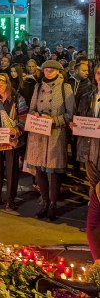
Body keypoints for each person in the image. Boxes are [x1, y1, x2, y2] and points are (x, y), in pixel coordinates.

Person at [25, 60, 75, 221]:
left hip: (55, 134)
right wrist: (36, 115)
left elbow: (70, 114)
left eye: (52, 69)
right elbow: (31, 108)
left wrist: (54, 119)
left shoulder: (65, 88)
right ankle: (44, 201)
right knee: (39, 170)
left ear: (59, 71)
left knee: (53, 171)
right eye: (46, 69)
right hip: (38, 132)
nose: (48, 71)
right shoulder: (38, 87)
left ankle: (53, 204)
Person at [0, 73, 28, 210]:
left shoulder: (18, 99)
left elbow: (24, 118)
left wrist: (17, 130)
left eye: (0, 86)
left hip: (11, 141)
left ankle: (10, 199)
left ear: (7, 84)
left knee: (11, 170)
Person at [74, 64, 100, 260]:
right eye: (99, 73)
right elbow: (81, 118)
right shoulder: (88, 96)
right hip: (89, 148)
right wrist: (75, 124)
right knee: (94, 186)